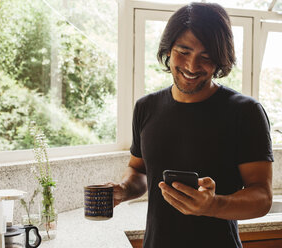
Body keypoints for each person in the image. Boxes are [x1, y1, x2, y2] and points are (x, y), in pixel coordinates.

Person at [109, 2, 273, 248]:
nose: (192, 66)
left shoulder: (245, 112)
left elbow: (262, 196)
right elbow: (139, 171)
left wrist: (213, 205)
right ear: (168, 49)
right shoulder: (146, 107)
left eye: (206, 57)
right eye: (183, 52)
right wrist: (123, 189)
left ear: (220, 60)